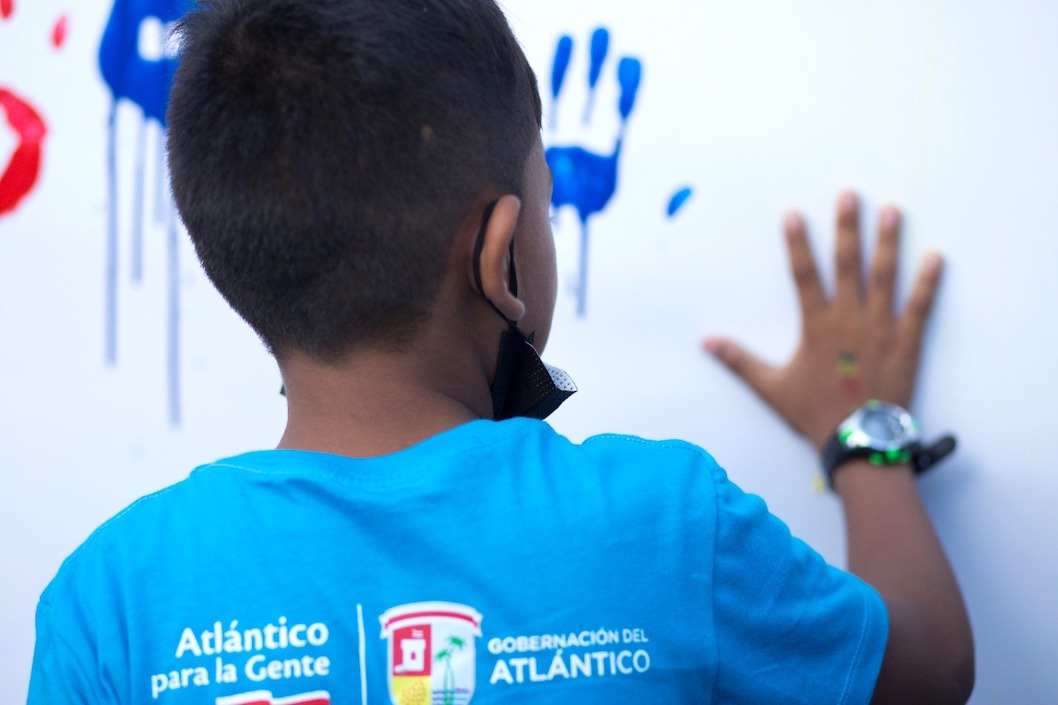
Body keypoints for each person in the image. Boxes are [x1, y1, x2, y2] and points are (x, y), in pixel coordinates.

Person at [28, 0, 973, 703]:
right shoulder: (673, 523)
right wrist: (866, 434)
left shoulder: (109, 603)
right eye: (550, 204)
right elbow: (930, 666)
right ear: (501, 256)